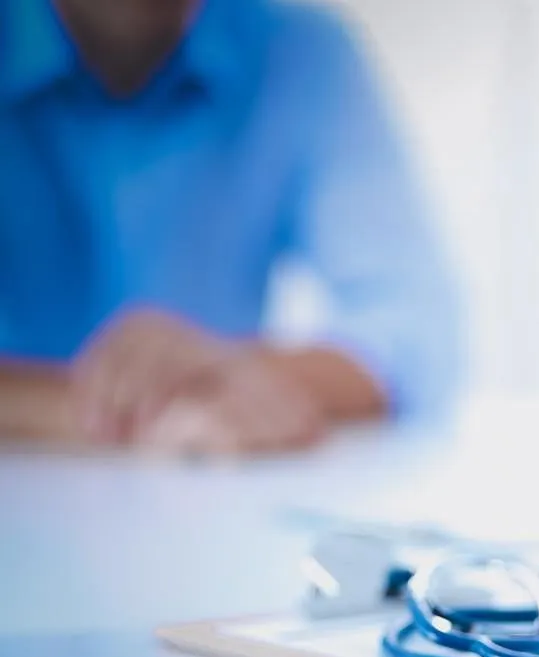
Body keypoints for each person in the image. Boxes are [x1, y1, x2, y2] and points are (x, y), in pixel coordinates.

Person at [0, 0, 461, 455]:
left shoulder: (302, 52)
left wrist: (237, 372)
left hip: (204, 488)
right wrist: (103, 412)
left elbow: (419, 332)